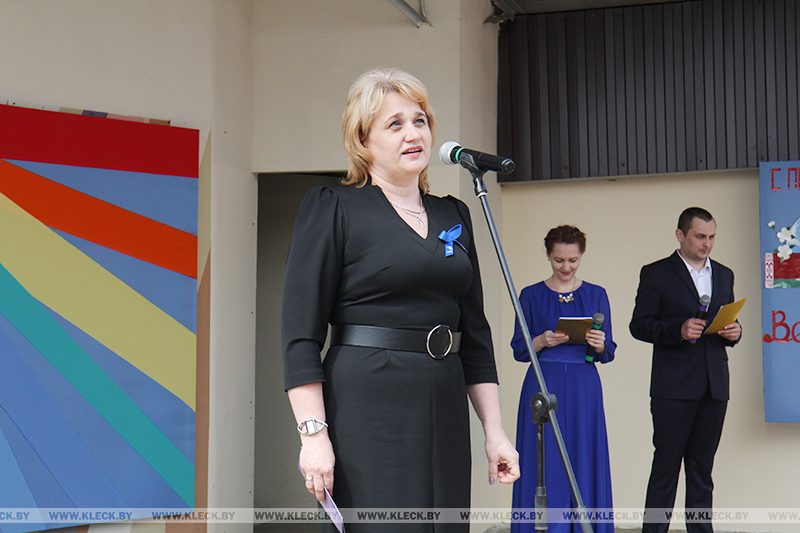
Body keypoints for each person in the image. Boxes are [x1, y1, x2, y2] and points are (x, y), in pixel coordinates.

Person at [281, 67, 519, 533]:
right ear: (363, 139)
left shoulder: (454, 213)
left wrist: (495, 433)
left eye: (420, 121)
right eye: (395, 124)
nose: (413, 134)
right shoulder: (334, 208)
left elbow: (475, 333)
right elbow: (299, 334)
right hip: (367, 404)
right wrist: (313, 436)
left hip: (444, 400)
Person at [629, 207, 742, 533]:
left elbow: (729, 321)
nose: (707, 244)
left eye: (712, 237)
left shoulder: (725, 274)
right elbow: (639, 325)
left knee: (701, 472)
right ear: (680, 235)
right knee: (665, 470)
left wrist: (736, 332)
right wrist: (677, 330)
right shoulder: (656, 273)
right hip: (673, 387)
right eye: (700, 236)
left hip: (714, 385)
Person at [510, 225, 615, 533]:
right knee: (543, 458)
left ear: (581, 256)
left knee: (585, 456)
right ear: (548, 255)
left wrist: (599, 344)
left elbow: (608, 351)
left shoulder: (596, 294)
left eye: (573, 260)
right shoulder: (530, 295)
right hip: (543, 382)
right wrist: (542, 340)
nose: (566, 267)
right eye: (559, 260)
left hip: (584, 386)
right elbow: (519, 349)